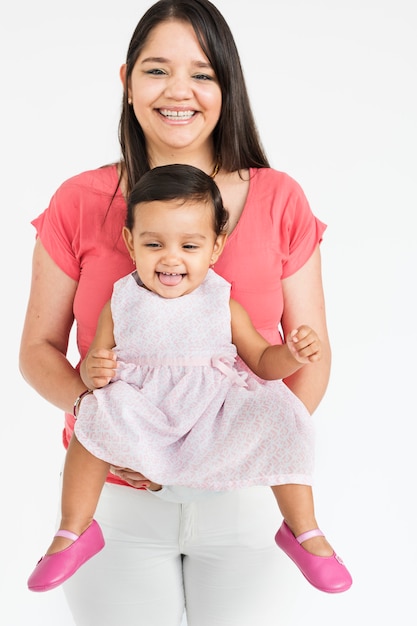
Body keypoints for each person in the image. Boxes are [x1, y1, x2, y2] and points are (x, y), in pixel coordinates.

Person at [19, 1, 346, 623]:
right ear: (127, 81)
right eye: (156, 69)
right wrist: (112, 431)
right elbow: (38, 352)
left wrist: (244, 442)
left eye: (202, 73)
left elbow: (312, 351)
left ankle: (303, 533)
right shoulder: (79, 200)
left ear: (228, 85)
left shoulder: (279, 198)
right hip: (115, 499)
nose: (179, 92)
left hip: (247, 495)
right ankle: (70, 531)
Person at [26, 164, 352, 596]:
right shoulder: (120, 302)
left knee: (279, 412)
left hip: (212, 409)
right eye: (154, 243)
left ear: (215, 248)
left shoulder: (223, 303)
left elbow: (261, 361)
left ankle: (304, 530)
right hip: (143, 408)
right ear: (131, 242)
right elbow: (94, 366)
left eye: (190, 245)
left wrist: (290, 355)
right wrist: (93, 372)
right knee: (93, 417)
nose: (171, 257)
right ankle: (74, 530)